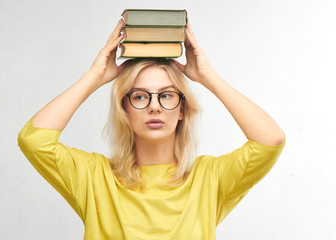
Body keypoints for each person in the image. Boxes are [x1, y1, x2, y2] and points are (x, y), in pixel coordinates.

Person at [17, 18, 285, 240]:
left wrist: (207, 77)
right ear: (125, 109)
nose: (155, 107)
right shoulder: (94, 177)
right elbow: (34, 141)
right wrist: (94, 76)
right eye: (140, 96)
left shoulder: (209, 179)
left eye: (166, 95)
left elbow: (270, 141)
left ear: (182, 109)